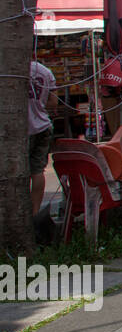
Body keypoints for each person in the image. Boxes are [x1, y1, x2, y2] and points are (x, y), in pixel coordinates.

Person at [29, 45, 56, 217]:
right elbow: (53, 103)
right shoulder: (45, 72)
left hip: (21, 129)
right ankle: (35, 212)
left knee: (18, 171)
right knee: (37, 170)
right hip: (42, 126)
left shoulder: (9, 70)